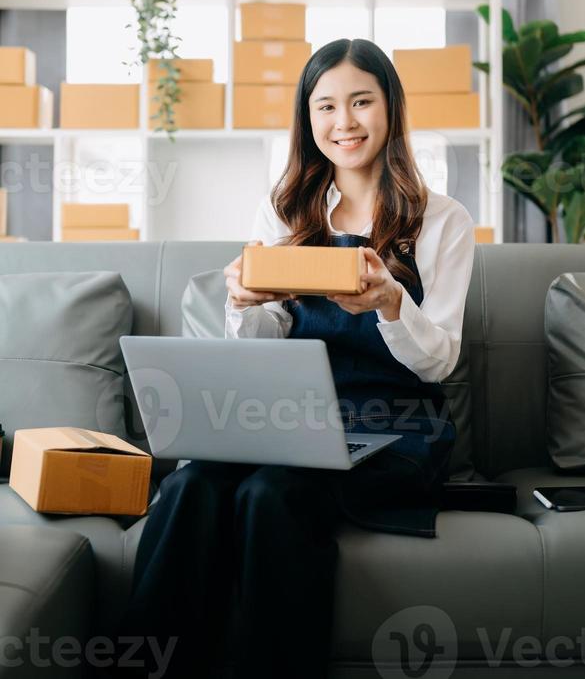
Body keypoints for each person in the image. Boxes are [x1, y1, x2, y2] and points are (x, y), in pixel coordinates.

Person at [117, 38, 476, 679]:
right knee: (191, 483)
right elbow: (260, 347)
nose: (345, 123)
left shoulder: (441, 220)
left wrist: (392, 302)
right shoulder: (285, 211)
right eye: (326, 107)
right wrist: (243, 303)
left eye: (361, 101)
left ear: (390, 108)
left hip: (397, 428)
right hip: (297, 420)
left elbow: (438, 362)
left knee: (269, 495)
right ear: (307, 120)